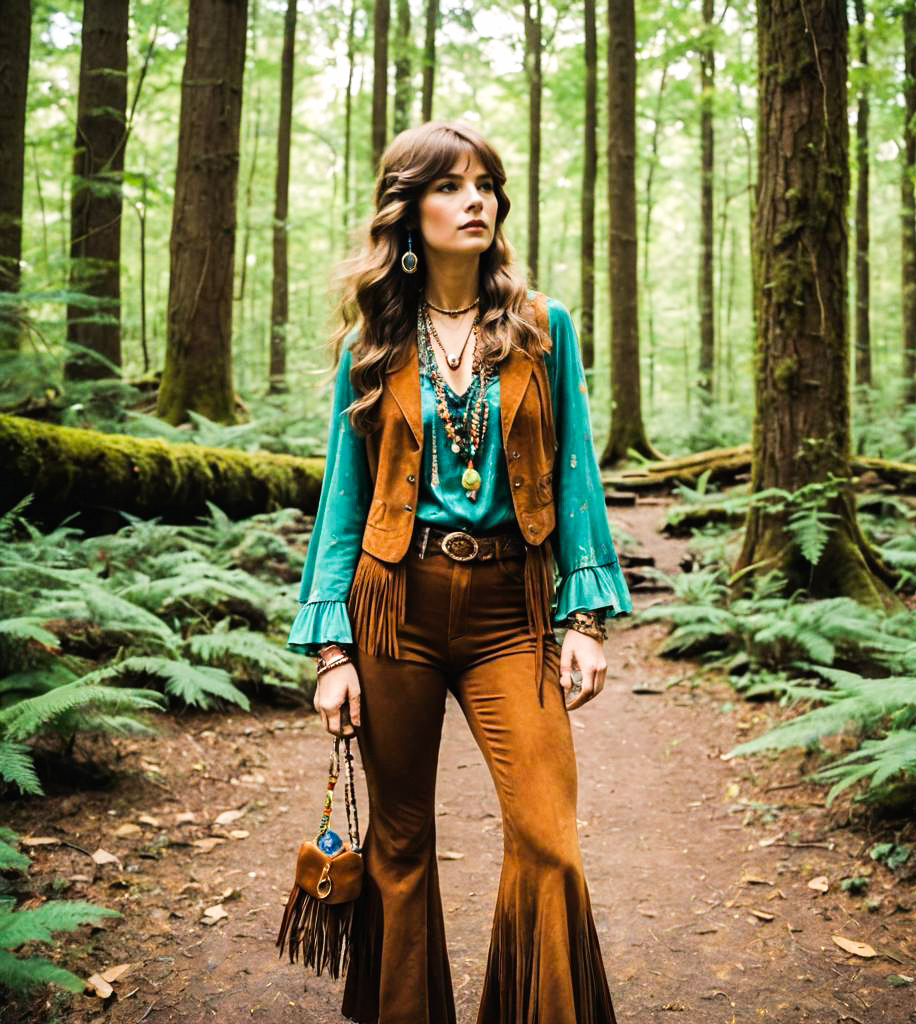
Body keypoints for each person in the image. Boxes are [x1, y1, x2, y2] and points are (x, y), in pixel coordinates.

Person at [287, 120, 632, 1024]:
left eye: (485, 183)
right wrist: (331, 651)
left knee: (548, 838)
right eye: (449, 185)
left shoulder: (542, 327)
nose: (474, 198)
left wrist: (584, 618)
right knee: (399, 846)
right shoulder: (372, 342)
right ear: (408, 211)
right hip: (392, 605)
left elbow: (577, 475)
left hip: (508, 609)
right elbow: (344, 499)